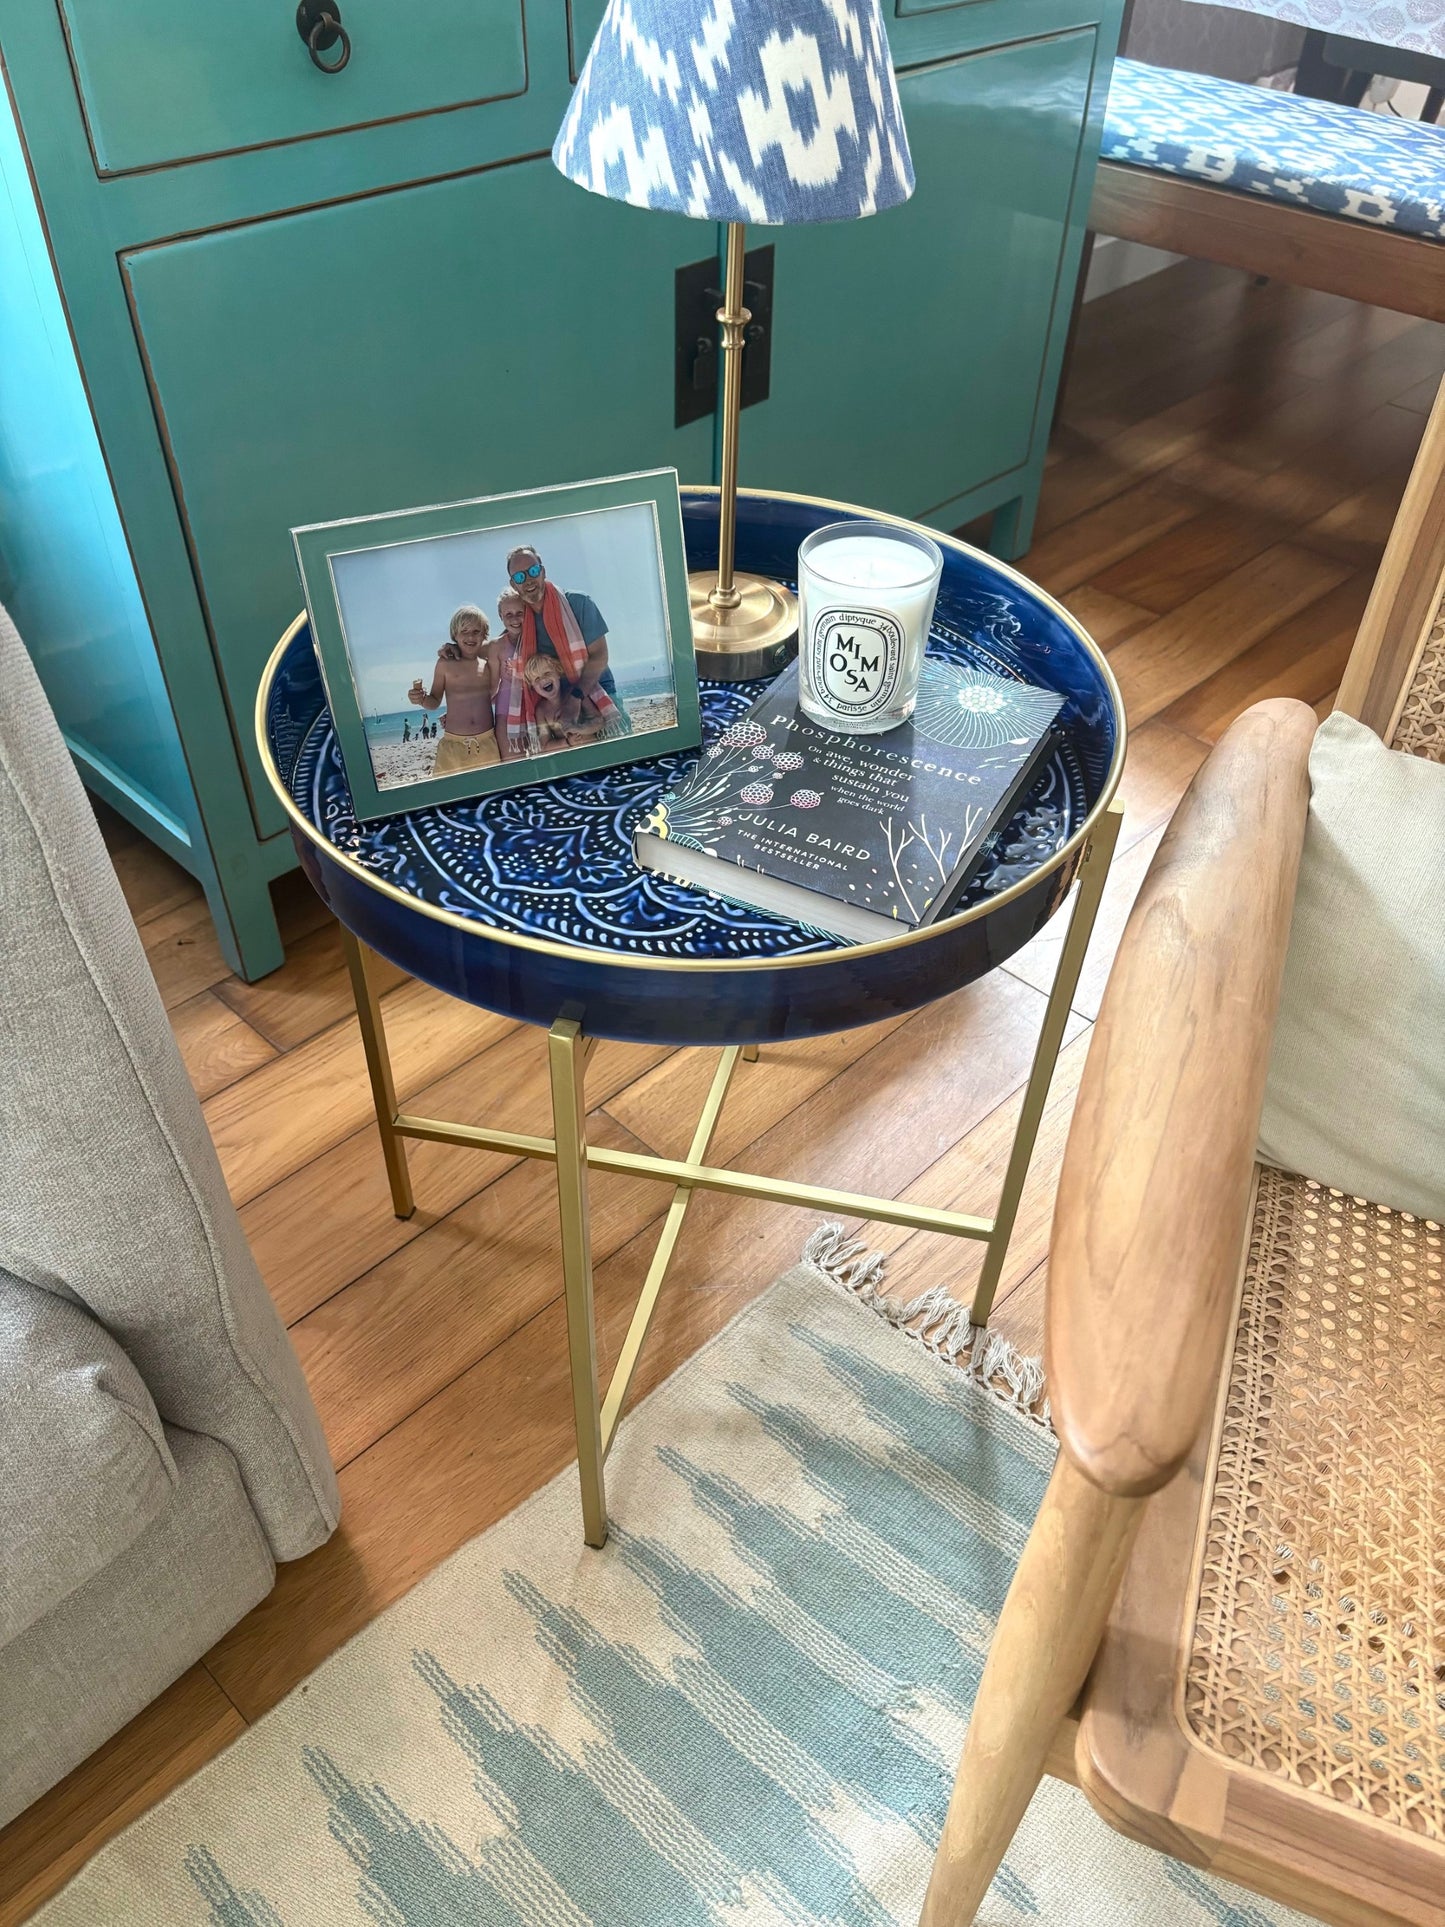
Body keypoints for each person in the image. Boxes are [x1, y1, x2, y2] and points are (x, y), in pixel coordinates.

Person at [497, 545, 630, 757]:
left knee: (619, 756)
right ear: (514, 584)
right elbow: (496, 643)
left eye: (533, 571)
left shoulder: (578, 603)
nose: (528, 580)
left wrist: (576, 698)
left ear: (543, 571)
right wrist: (454, 649)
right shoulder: (524, 622)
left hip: (596, 689)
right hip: (553, 702)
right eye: (520, 577)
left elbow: (600, 656)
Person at [407, 604, 505, 773]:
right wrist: (421, 699)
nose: (470, 637)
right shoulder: (445, 663)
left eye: (476, 631)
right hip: (454, 744)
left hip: (487, 741)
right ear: (455, 635)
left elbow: (504, 639)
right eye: (464, 631)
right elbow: (435, 701)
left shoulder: (487, 664)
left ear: (484, 634)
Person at [522, 652, 609, 748]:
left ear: (558, 673)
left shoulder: (574, 695)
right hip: (570, 759)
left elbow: (599, 722)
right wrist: (567, 742)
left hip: (594, 750)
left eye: (547, 673)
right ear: (533, 688)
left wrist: (579, 729)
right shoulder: (542, 710)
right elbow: (545, 745)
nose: (543, 679)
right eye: (537, 679)